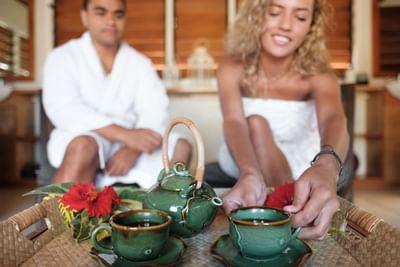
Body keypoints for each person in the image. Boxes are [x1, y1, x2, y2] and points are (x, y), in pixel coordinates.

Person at [217, 0, 349, 240]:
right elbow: (234, 121)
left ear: (311, 25)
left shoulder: (319, 74)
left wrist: (326, 165)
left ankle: (270, 222)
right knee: (255, 123)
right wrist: (249, 171)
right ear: (256, 15)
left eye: (300, 17)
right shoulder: (231, 66)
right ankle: (282, 220)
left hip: (300, 157)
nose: (286, 25)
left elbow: (333, 117)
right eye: (275, 12)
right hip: (242, 154)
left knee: (256, 123)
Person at [42, 0, 191, 188]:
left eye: (118, 14)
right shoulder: (62, 57)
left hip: (130, 142)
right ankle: (57, 216)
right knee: (84, 146)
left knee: (182, 146)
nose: (111, 21)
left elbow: (154, 111)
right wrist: (124, 135)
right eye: (101, 12)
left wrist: (133, 147)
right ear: (84, 16)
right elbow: (64, 108)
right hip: (85, 135)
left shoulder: (140, 63)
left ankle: (166, 209)